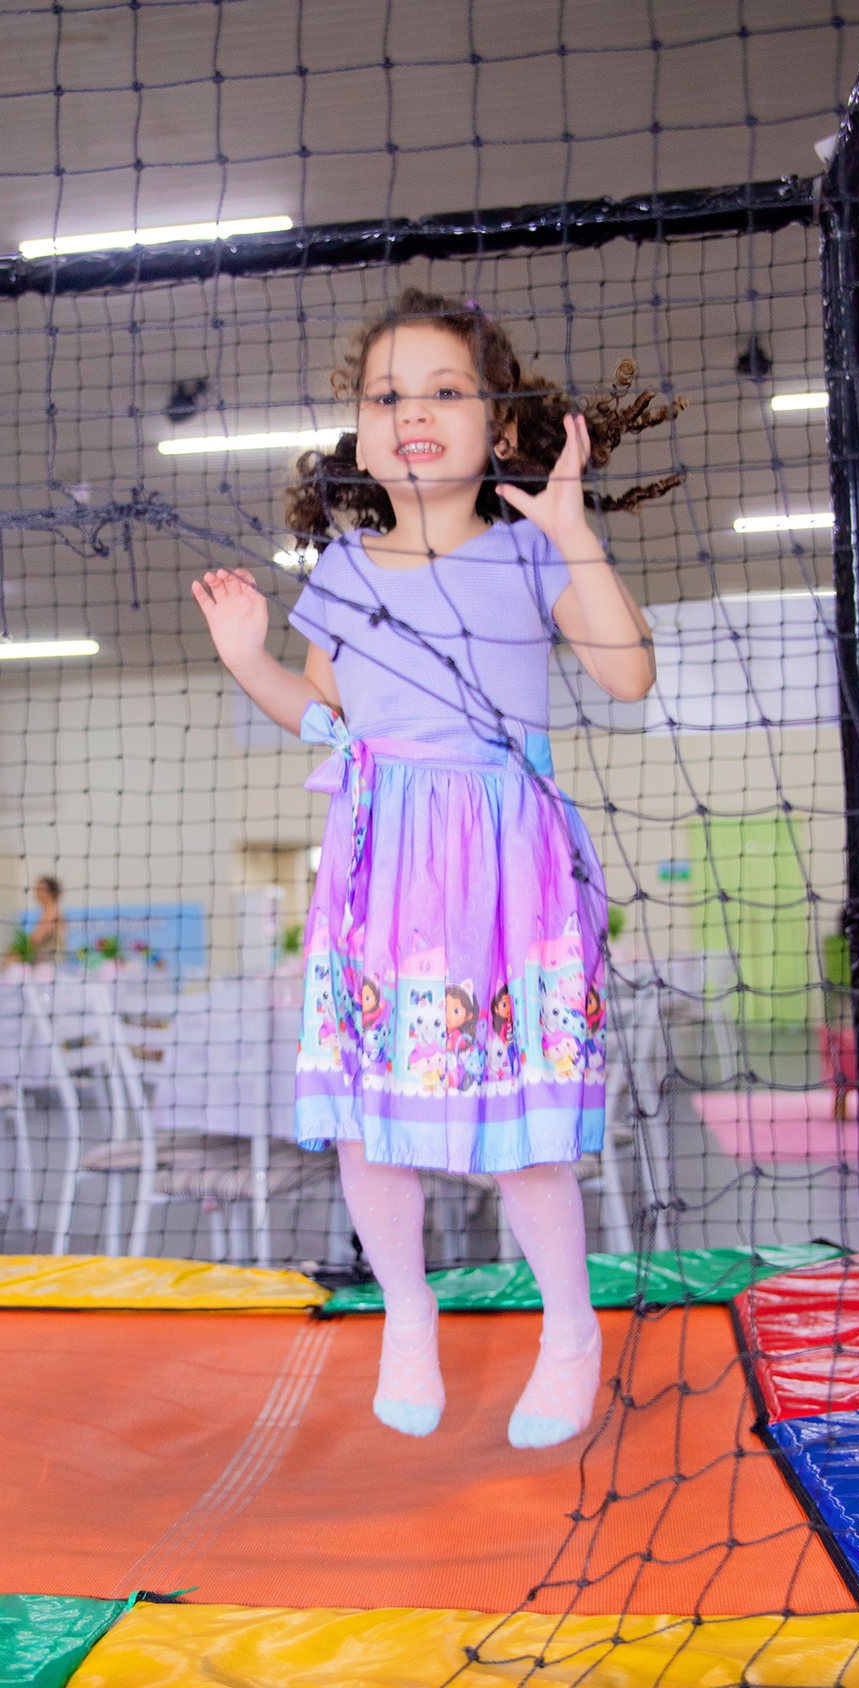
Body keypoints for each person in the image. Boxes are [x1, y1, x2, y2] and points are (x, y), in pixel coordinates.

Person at [193, 289, 676, 1448]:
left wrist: (571, 533)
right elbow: (324, 721)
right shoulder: (347, 573)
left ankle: (570, 1327)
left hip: (506, 868)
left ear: (501, 429)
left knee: (527, 1127)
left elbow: (629, 674)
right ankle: (405, 1309)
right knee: (368, 1120)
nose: (413, 412)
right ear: (361, 432)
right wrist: (248, 659)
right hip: (382, 868)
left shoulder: (524, 553)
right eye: (387, 395)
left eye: (445, 391)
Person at [29, 875, 66, 958]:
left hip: (52, 960)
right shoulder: (45, 910)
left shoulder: (52, 910)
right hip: (44, 957)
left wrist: (20, 949)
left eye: (40, 888)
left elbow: (38, 938)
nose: (36, 891)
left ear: (50, 892)